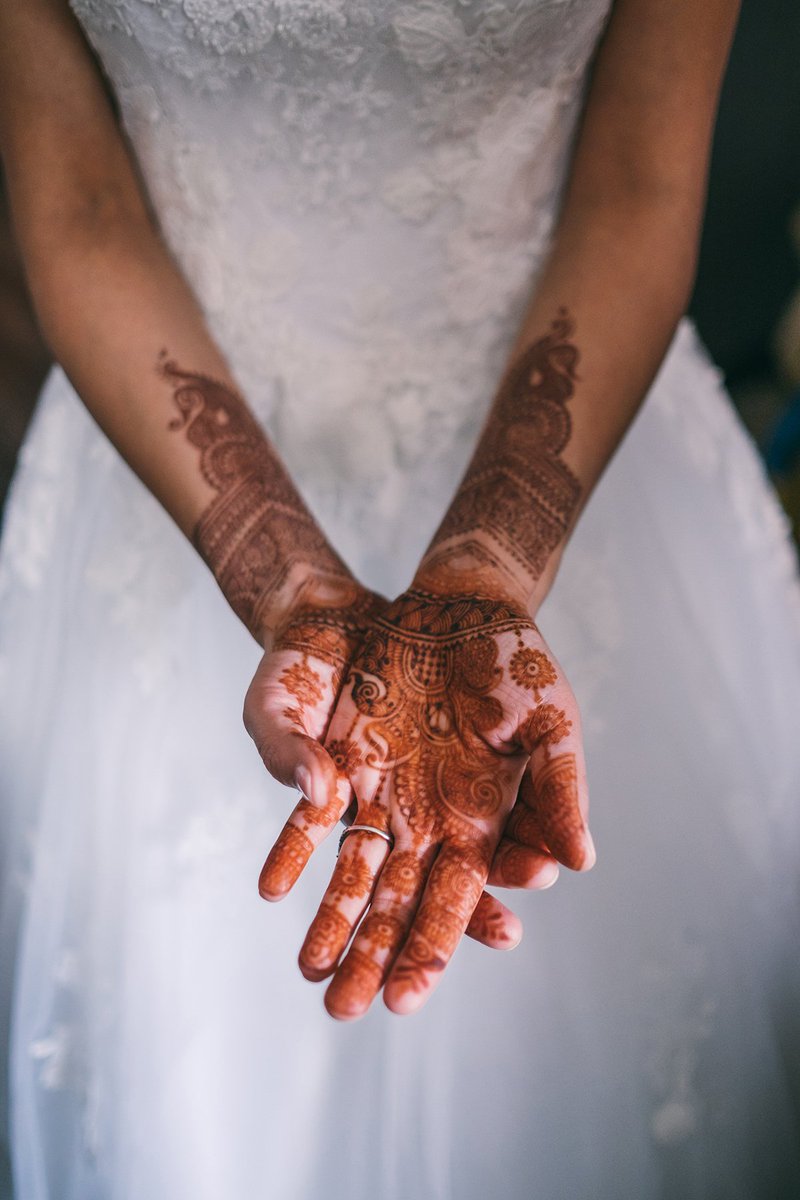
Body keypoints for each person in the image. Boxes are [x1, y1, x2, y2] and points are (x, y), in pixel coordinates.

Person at [0, 0, 798, 1195]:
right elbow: (80, 209)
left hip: (570, 430)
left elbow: (635, 181)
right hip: (159, 448)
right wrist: (288, 588)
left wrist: (487, 566)